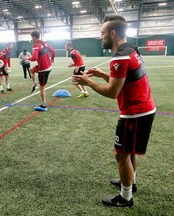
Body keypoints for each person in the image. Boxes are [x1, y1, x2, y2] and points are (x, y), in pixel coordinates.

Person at [72, 14, 156, 207]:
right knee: (130, 151)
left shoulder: (121, 57)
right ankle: (130, 182)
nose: (100, 37)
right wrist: (102, 74)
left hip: (134, 112)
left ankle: (126, 197)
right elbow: (127, 78)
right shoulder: (131, 49)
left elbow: (112, 92)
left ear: (112, 33)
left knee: (121, 154)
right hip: (144, 109)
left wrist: (88, 82)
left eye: (102, 33)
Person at [23, 30, 56, 111]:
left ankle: (44, 105)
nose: (31, 39)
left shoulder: (35, 45)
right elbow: (53, 51)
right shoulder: (45, 43)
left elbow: (34, 58)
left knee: (42, 88)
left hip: (43, 69)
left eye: (31, 37)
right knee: (31, 69)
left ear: (34, 37)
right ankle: (34, 84)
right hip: (48, 66)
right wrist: (52, 59)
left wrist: (27, 58)